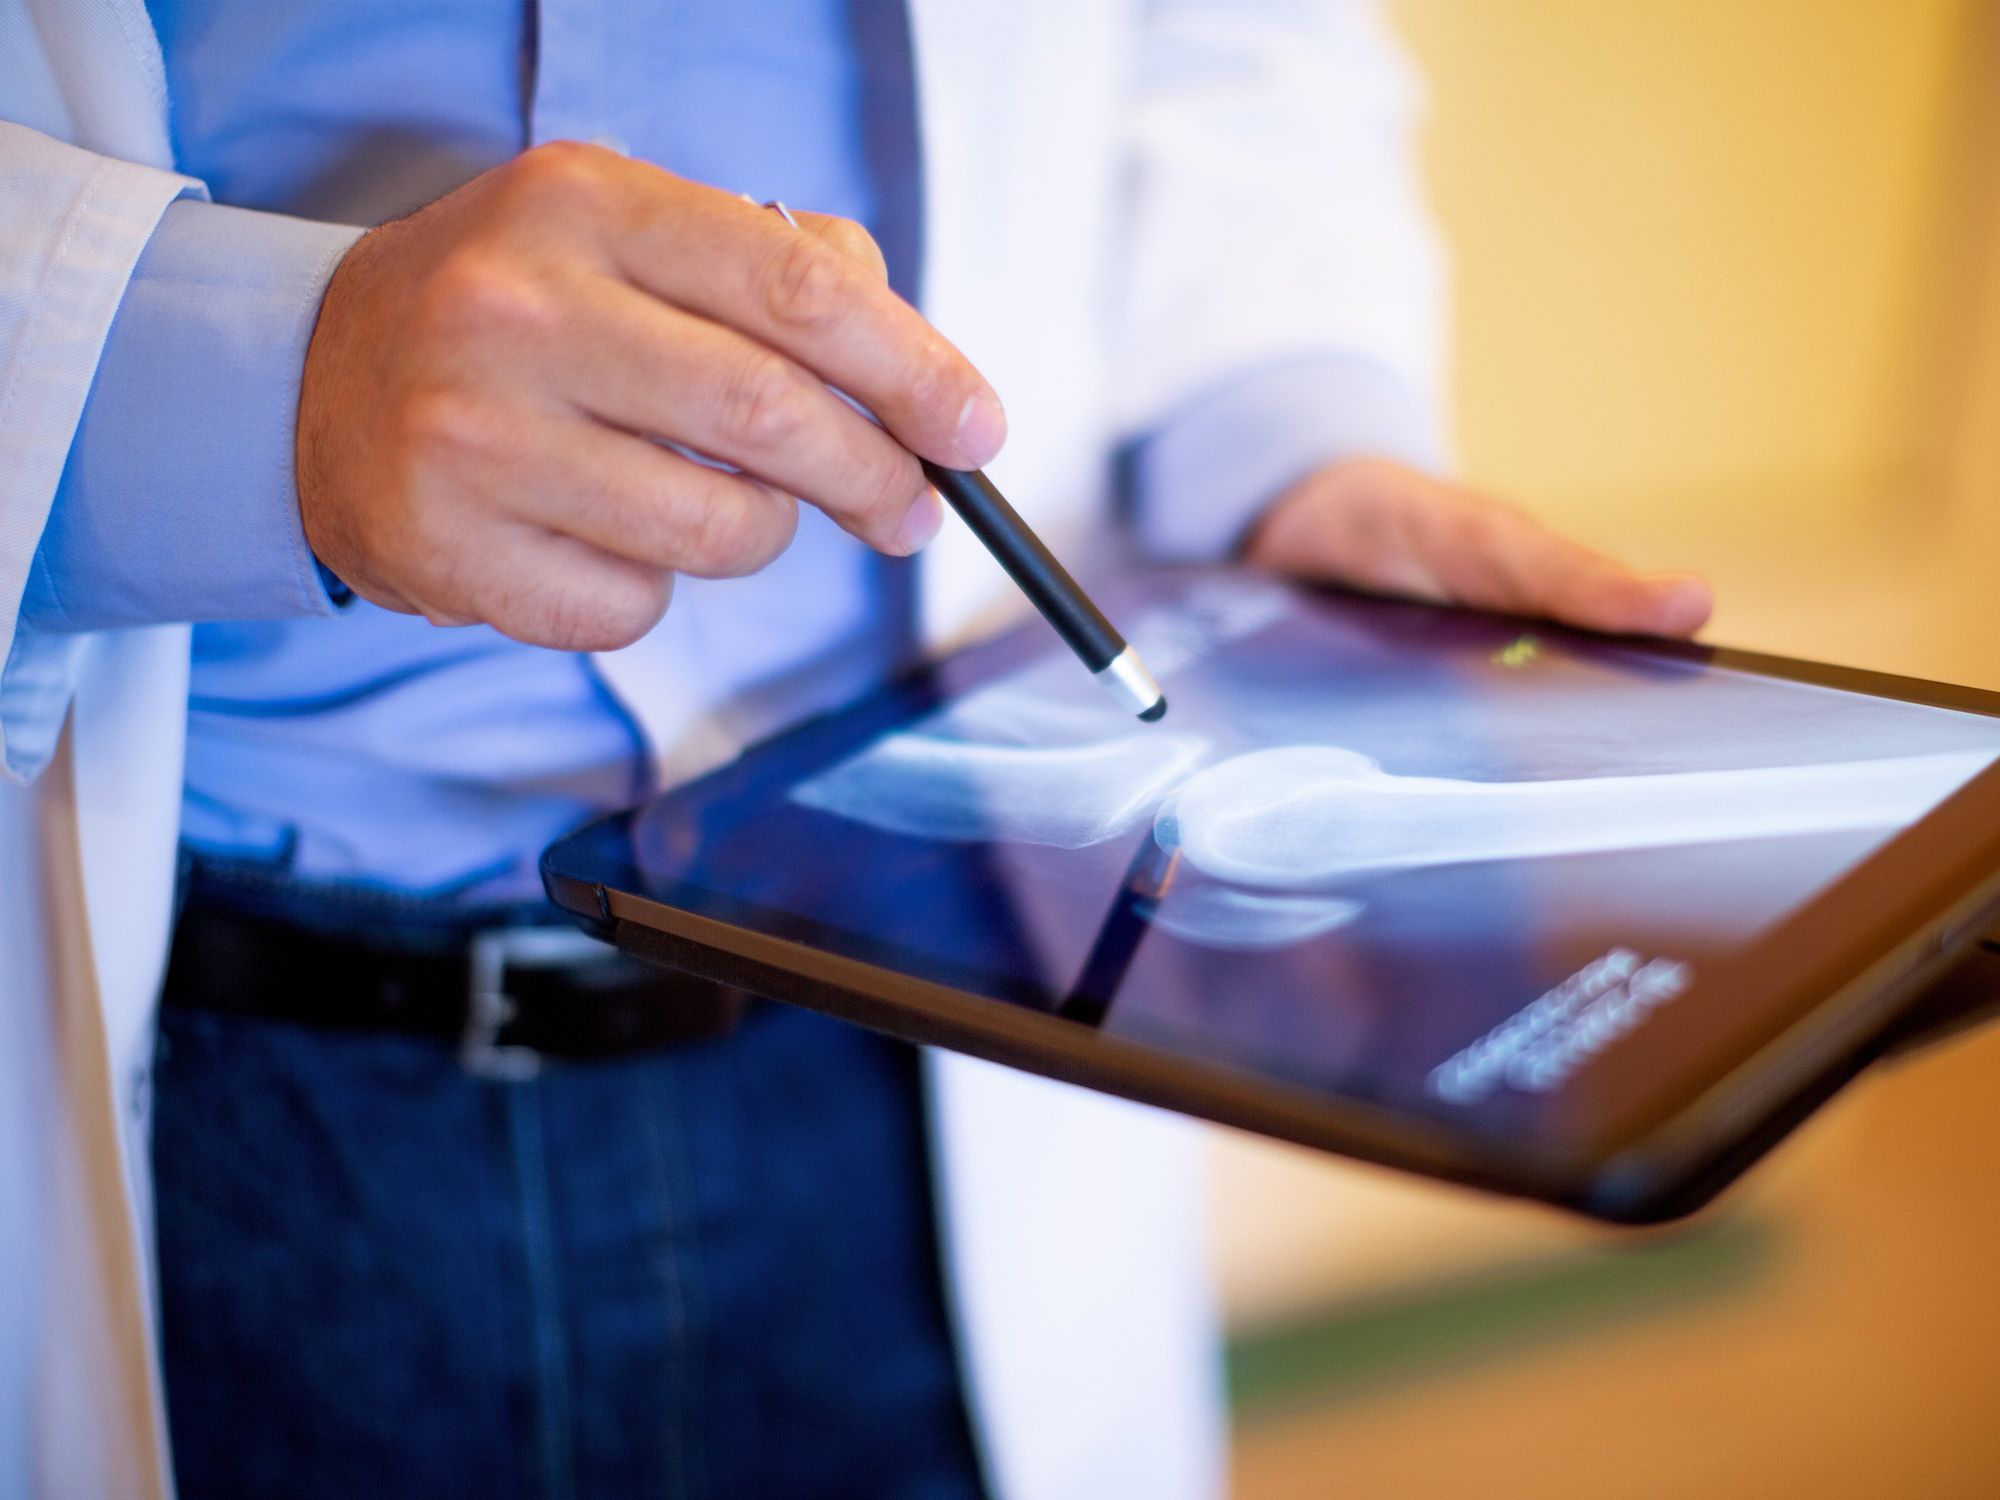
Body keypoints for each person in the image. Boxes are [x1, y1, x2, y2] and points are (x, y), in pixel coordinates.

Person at [0, 2, 1712, 1497]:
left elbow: (1225, 36)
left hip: (924, 1045)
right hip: (216, 1093)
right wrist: (262, 377)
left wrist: (1286, 447)